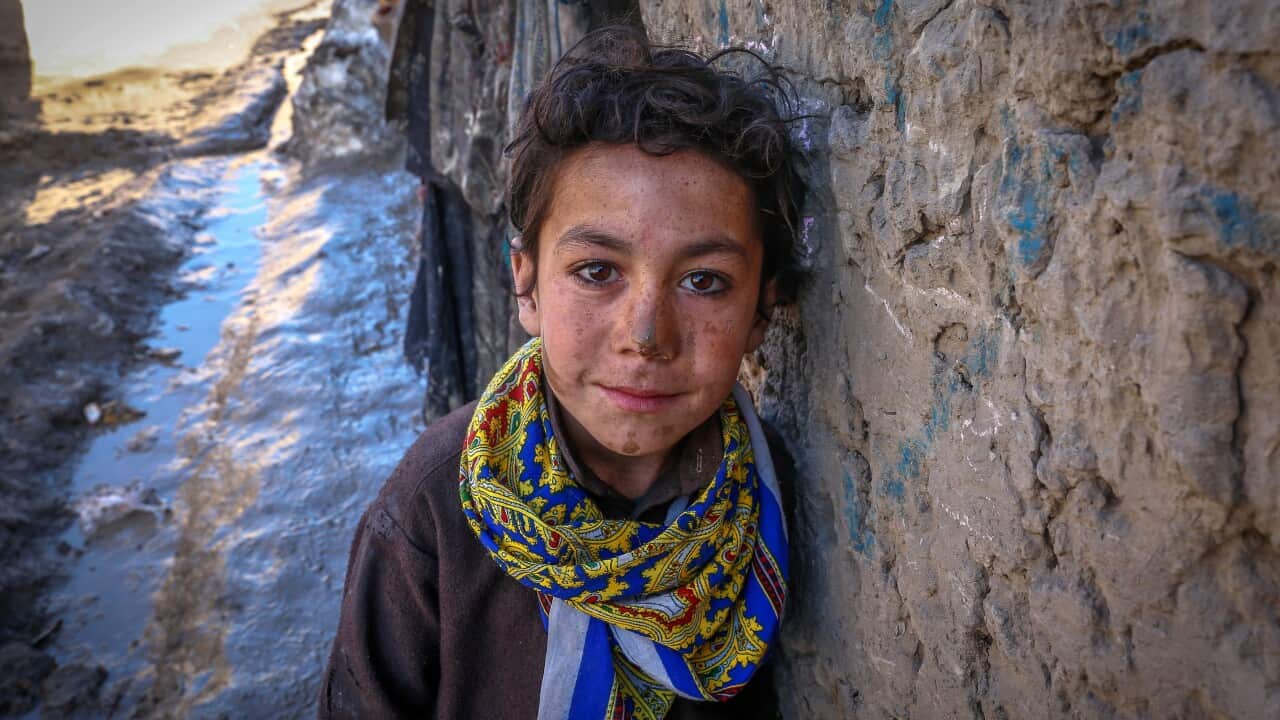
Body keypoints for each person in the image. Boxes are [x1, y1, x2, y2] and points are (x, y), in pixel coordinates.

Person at [319, 25, 808, 720]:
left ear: (762, 310)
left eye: (703, 281)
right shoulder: (434, 508)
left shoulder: (760, 497)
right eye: (597, 271)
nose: (645, 337)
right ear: (526, 287)